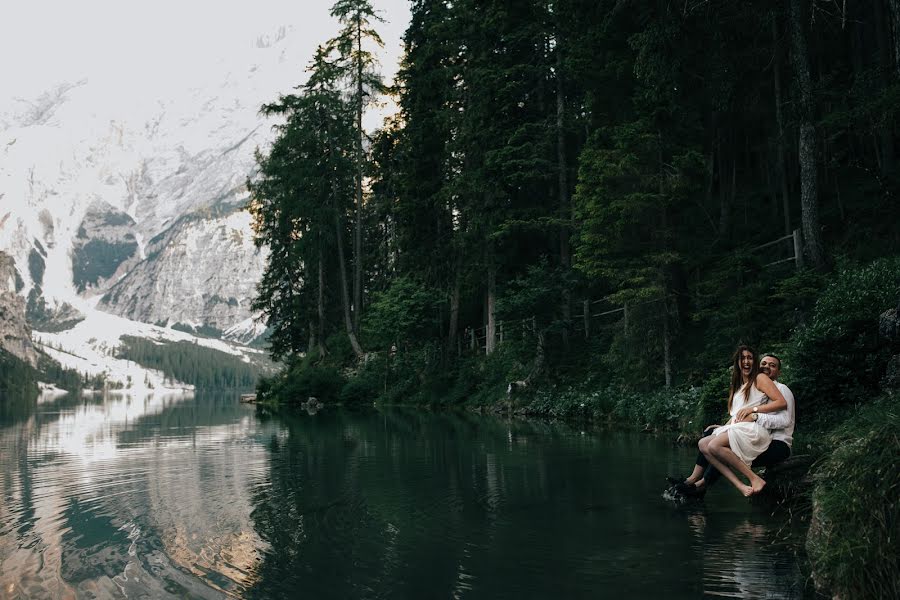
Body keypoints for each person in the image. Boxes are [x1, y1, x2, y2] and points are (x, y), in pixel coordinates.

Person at [669, 347, 791, 498]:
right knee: (704, 442)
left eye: (772, 365)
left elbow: (781, 414)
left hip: (772, 440)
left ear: (778, 371)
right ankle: (695, 482)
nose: (766, 367)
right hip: (746, 428)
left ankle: (750, 479)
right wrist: (724, 427)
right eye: (764, 364)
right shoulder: (741, 386)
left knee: (716, 446)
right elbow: (739, 413)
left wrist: (754, 413)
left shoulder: (778, 387)